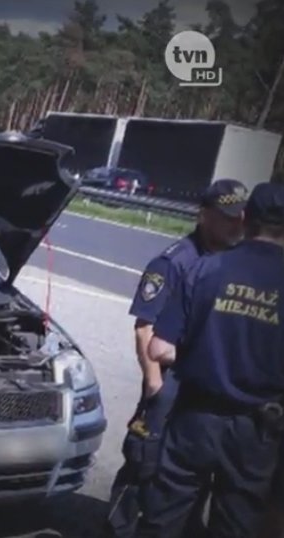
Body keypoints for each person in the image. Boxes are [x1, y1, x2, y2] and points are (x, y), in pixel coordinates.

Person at [136, 181, 284, 538]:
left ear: (246, 218)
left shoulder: (206, 269)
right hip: (259, 429)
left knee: (165, 514)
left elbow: (158, 348)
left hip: (195, 419)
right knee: (237, 523)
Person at [107, 178, 248, 537]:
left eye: (240, 216)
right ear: (204, 216)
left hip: (204, 385)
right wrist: (155, 387)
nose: (237, 224)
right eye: (227, 217)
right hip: (170, 378)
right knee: (145, 463)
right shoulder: (173, 262)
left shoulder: (233, 263)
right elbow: (144, 329)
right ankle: (119, 529)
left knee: (188, 474)